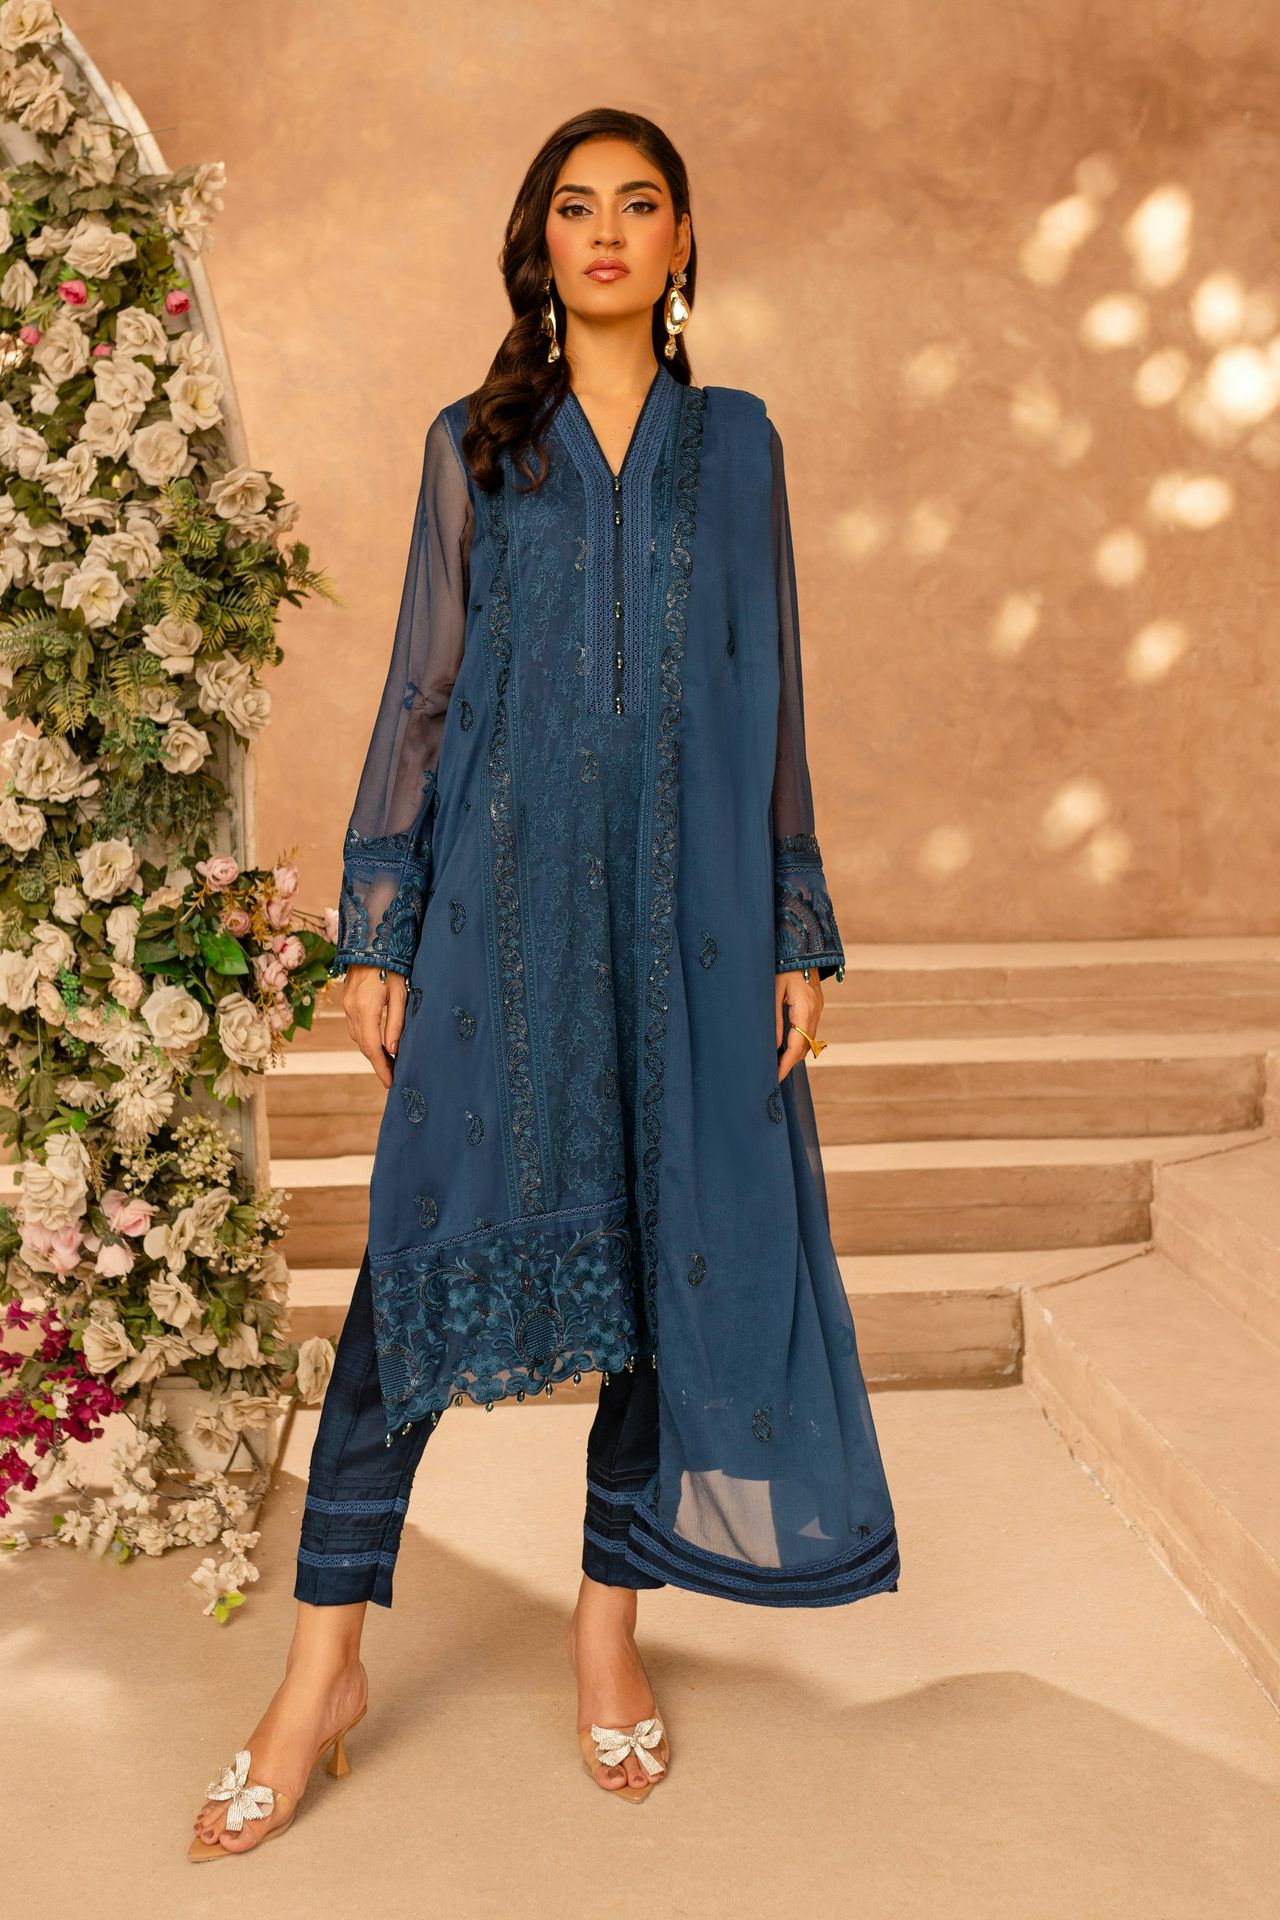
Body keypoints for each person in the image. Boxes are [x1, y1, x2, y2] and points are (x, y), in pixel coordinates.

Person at [188, 105, 898, 1857]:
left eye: (637, 205)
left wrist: (799, 919)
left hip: (693, 927)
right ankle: (318, 1672)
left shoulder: (740, 448)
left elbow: (774, 691)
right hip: (501, 923)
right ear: (540, 240)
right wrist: (381, 918)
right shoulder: (476, 443)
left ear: (680, 241)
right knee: (409, 1286)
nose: (604, 232)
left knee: (665, 1273)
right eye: (574, 207)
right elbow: (421, 695)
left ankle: (604, 1636)